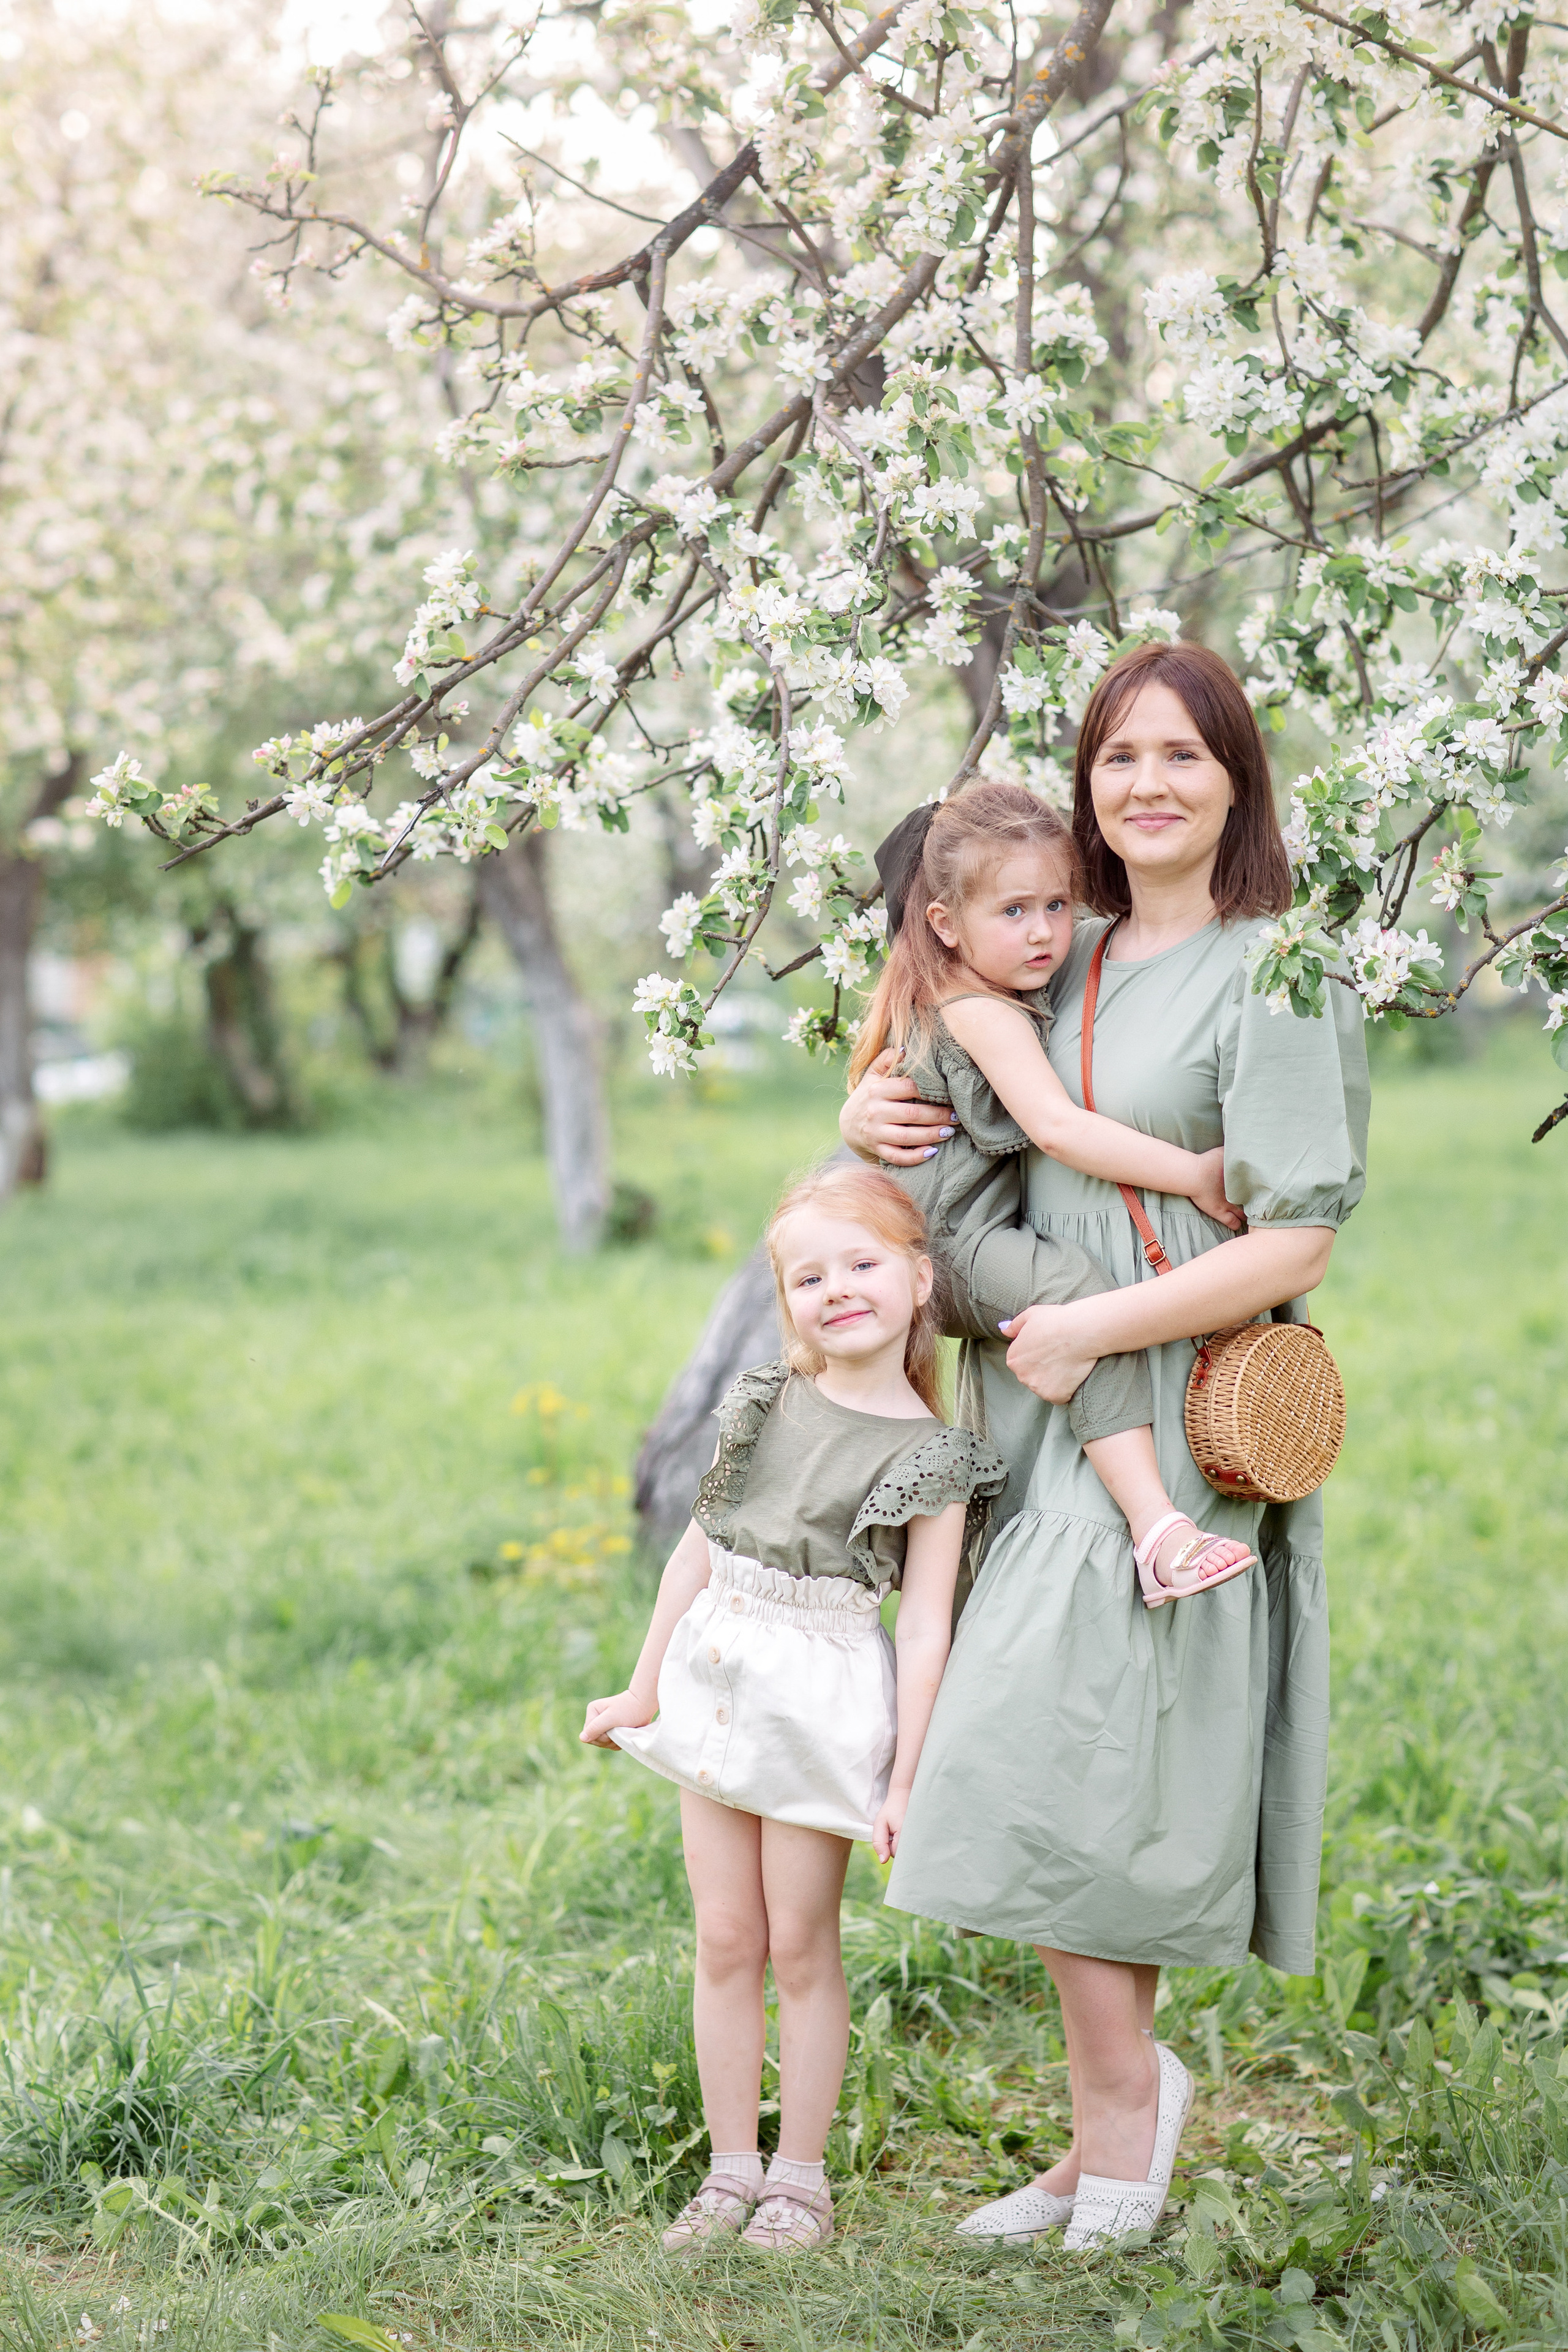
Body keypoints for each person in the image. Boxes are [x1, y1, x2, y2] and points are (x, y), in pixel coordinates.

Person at [840, 641, 1369, 2251]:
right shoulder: (1044, 948)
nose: (1148, 784)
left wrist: (1090, 1331)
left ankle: (1126, 2129)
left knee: (1056, 1763)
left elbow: (1294, 1245)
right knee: (1065, 1772)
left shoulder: (1281, 970)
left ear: (1237, 781)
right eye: (1120, 755)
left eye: (1184, 757)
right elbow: (964, 1120)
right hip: (1032, 1410)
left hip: (1169, 1412)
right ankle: (1102, 2132)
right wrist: (866, 1115)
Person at [581, 1164, 1006, 2255]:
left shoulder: (933, 1454)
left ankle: (799, 2180)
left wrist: (906, 1775)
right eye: (808, 1275)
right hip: (716, 1671)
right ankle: (730, 2169)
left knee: (802, 1943)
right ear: (786, 1299)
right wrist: (642, 1684)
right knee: (726, 1936)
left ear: (919, 1281)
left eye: (862, 1265)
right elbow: (698, 1548)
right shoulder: (769, 1398)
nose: (837, 1290)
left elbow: (923, 1626)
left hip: (821, 1699)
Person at [850, 778, 1254, 1608]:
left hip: (940, 1242)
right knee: (1076, 1295)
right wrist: (1195, 1176)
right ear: (945, 925)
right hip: (944, 1255)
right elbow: (1058, 1129)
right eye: (1014, 912)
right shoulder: (981, 1011)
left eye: (1058, 906)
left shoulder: (972, 988)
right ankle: (1156, 1529)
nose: (1043, 933)